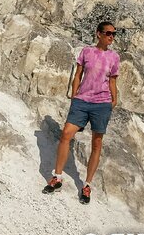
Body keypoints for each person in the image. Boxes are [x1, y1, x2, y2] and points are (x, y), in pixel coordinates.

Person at [43, 20, 119, 204]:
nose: (111, 37)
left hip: (102, 103)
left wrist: (113, 101)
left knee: (96, 143)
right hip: (82, 100)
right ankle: (57, 177)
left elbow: (112, 82)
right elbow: (78, 74)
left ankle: (87, 185)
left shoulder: (114, 57)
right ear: (98, 33)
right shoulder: (87, 51)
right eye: (108, 33)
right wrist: (74, 95)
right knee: (66, 134)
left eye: (114, 34)